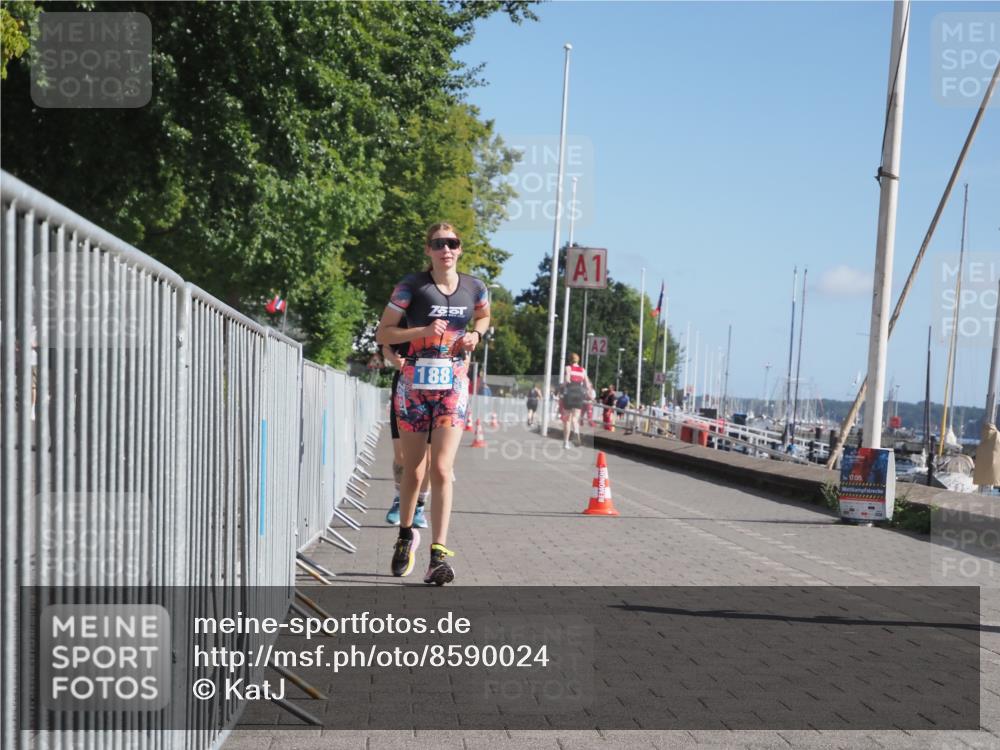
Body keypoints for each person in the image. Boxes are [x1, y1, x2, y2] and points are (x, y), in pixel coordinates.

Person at [375, 223, 490, 585]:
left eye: (452, 243)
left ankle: (438, 555)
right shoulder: (411, 287)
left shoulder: (474, 287)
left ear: (459, 249)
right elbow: (384, 333)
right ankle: (406, 534)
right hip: (414, 386)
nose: (446, 249)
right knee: (415, 469)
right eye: (439, 244)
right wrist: (421, 332)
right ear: (428, 250)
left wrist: (475, 334)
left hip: (453, 384)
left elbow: (484, 316)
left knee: (442, 468)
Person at [382, 339, 430, 529]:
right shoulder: (406, 311)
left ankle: (419, 505)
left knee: (429, 459)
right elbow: (385, 342)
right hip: (405, 387)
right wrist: (395, 360)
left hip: (439, 390)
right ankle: (398, 499)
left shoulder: (450, 314)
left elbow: (464, 352)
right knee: (401, 455)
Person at [559, 352, 592, 449]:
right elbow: (587, 384)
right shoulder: (583, 370)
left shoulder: (568, 368)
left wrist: (561, 386)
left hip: (570, 393)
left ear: (570, 360)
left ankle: (566, 443)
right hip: (579, 394)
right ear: (578, 360)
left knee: (567, 420)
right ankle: (576, 431)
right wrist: (588, 393)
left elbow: (567, 380)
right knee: (575, 418)